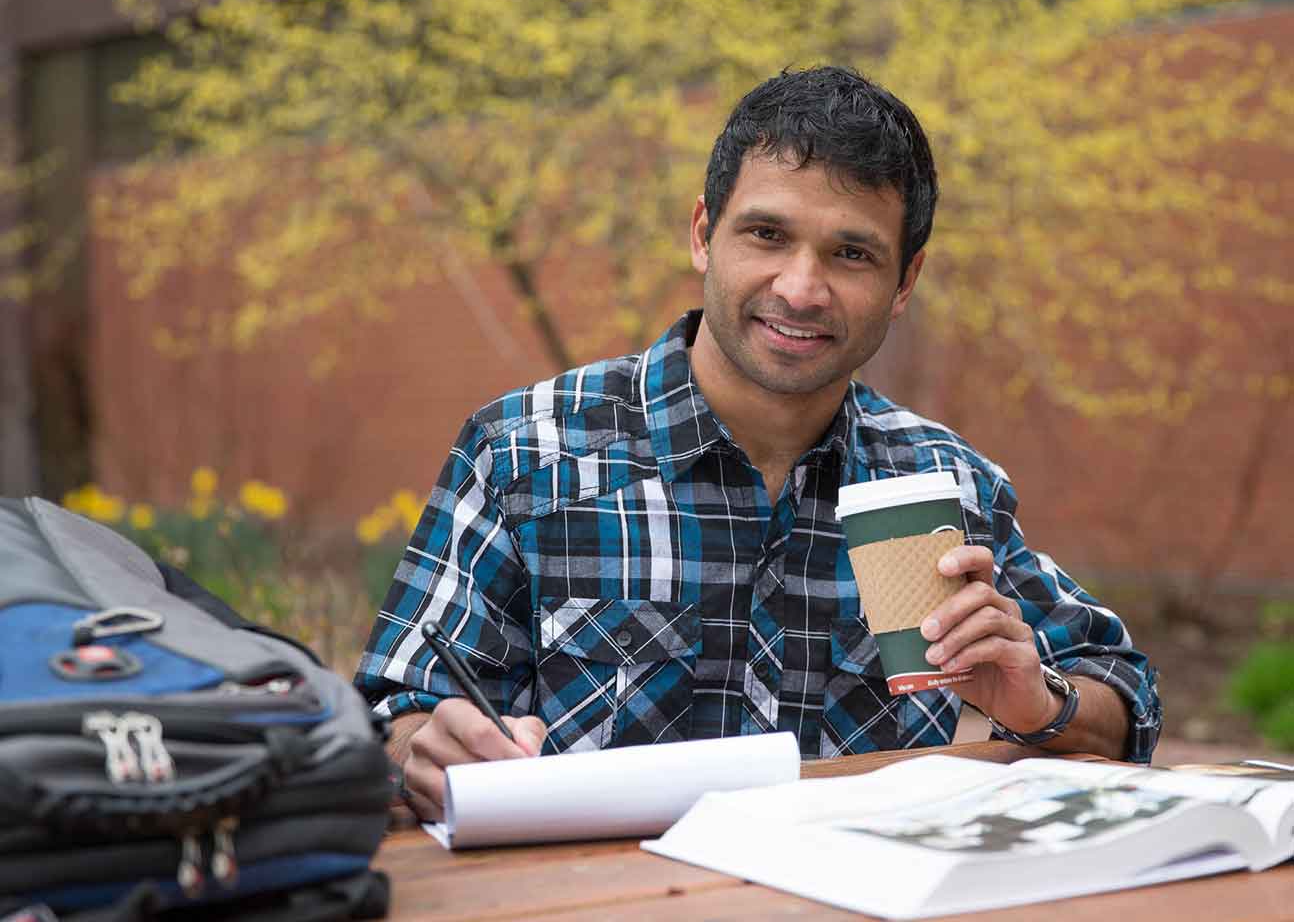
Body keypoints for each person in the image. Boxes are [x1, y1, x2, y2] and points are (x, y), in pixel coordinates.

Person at [355, 66, 1162, 822]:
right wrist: (419, 752)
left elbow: (1124, 698)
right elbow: (390, 716)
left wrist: (1039, 701)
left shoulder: (942, 483)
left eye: (852, 253)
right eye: (767, 235)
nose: (801, 289)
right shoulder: (525, 453)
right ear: (705, 235)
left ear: (905, 282)